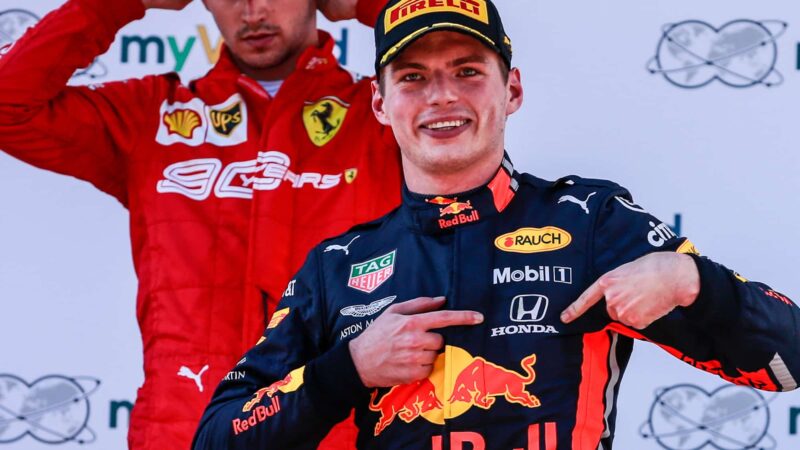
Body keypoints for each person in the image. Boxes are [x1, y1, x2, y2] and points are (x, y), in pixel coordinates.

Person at [191, 0, 800, 447]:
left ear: (511, 90)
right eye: (412, 78)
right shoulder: (340, 264)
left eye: (467, 71)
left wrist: (694, 282)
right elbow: (217, 437)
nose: (441, 97)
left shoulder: (592, 220)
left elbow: (789, 362)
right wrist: (346, 370)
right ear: (380, 104)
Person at [0, 0, 400, 448]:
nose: (253, 11)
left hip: (345, 428)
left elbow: (471, 59)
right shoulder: (152, 116)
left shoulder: (387, 116)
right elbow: (8, 106)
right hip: (183, 427)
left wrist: (371, 6)